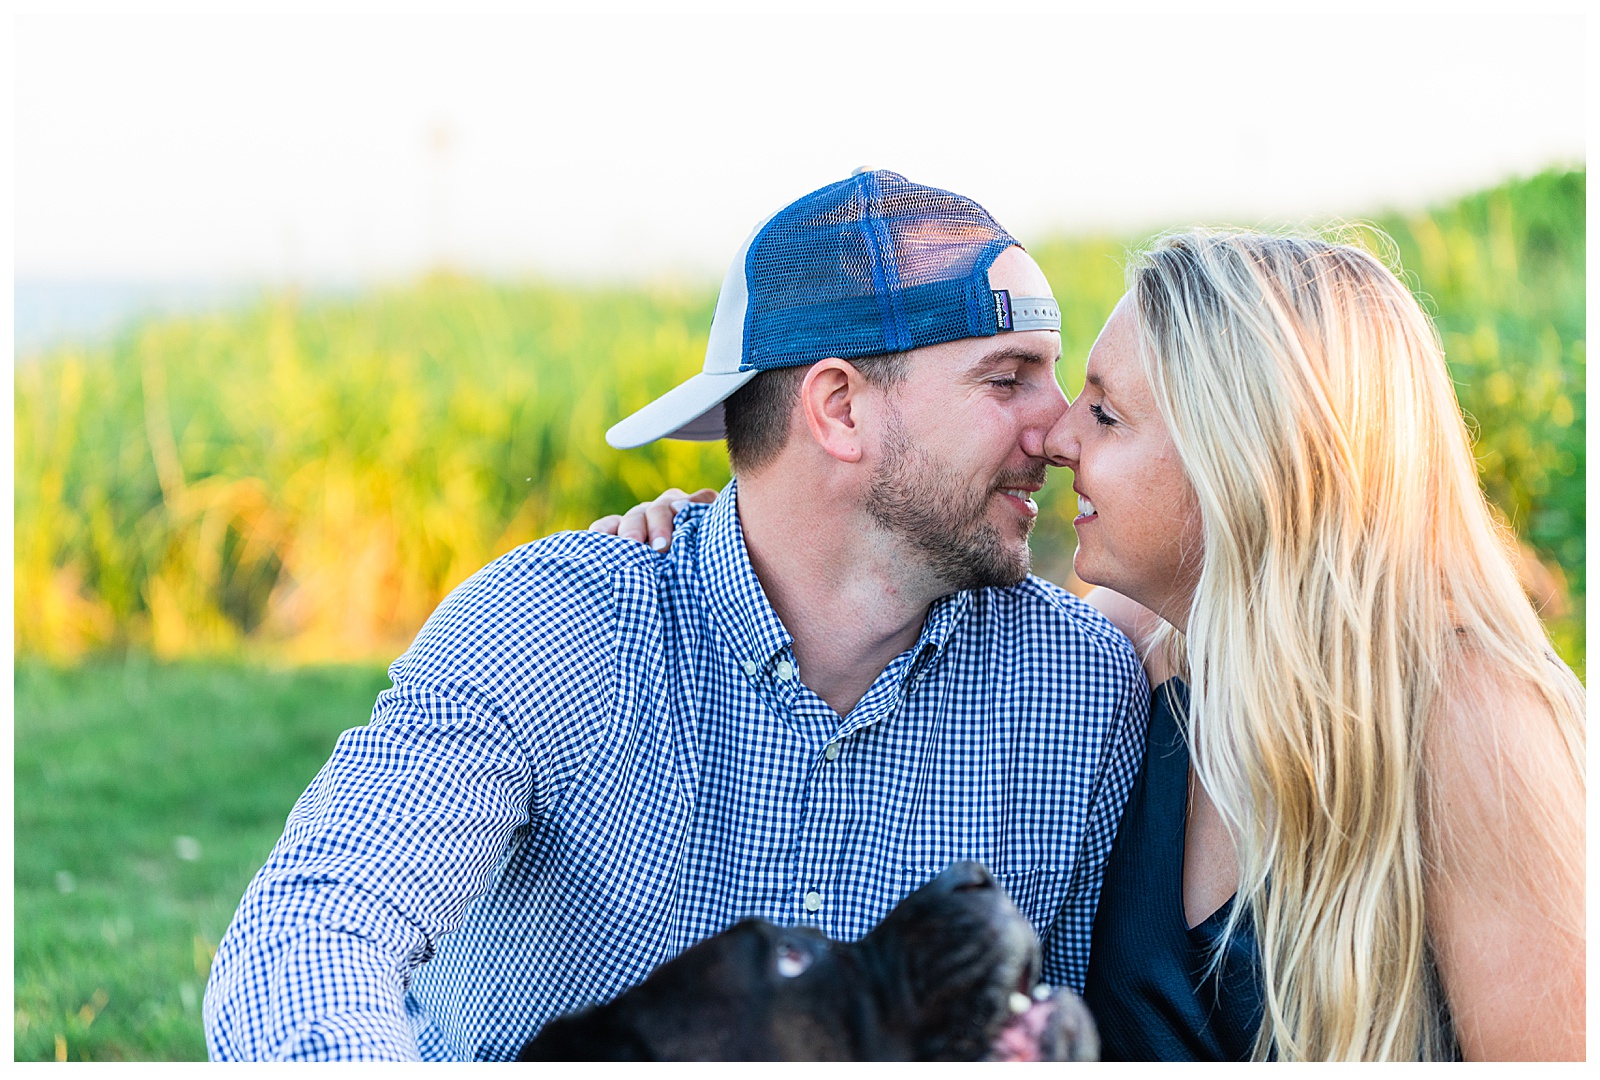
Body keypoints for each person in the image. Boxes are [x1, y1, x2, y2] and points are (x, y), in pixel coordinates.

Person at [201, 170, 1149, 1061]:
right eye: (1008, 376)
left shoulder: (1082, 688)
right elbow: (317, 923)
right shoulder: (557, 626)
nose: (1060, 429)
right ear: (839, 410)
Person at [606, 228, 1586, 1060]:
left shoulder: (1469, 724)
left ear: (1246, 464)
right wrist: (718, 541)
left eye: (1106, 412)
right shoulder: (1129, 658)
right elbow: (864, 587)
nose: (1056, 437)